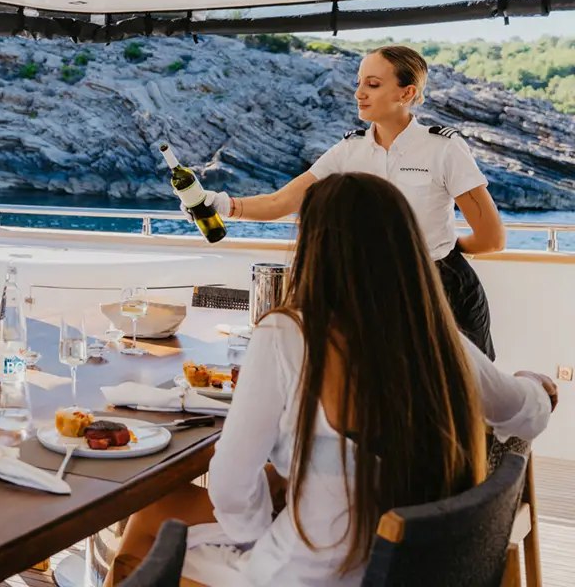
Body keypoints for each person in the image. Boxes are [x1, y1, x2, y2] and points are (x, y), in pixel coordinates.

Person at [109, 173, 556, 587]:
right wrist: (534, 385)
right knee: (170, 509)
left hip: (314, 572)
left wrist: (264, 534)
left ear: (315, 248)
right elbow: (528, 414)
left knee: (148, 524)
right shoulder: (437, 335)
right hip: (410, 565)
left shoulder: (289, 333)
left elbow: (229, 485)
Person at [186, 45, 505, 358]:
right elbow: (280, 201)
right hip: (375, 290)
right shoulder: (350, 150)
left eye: (373, 84)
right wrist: (219, 204)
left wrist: (441, 250)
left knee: (460, 387)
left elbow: (492, 238)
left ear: (407, 93)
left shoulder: (443, 148)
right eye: (359, 82)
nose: (359, 93)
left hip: (442, 291)